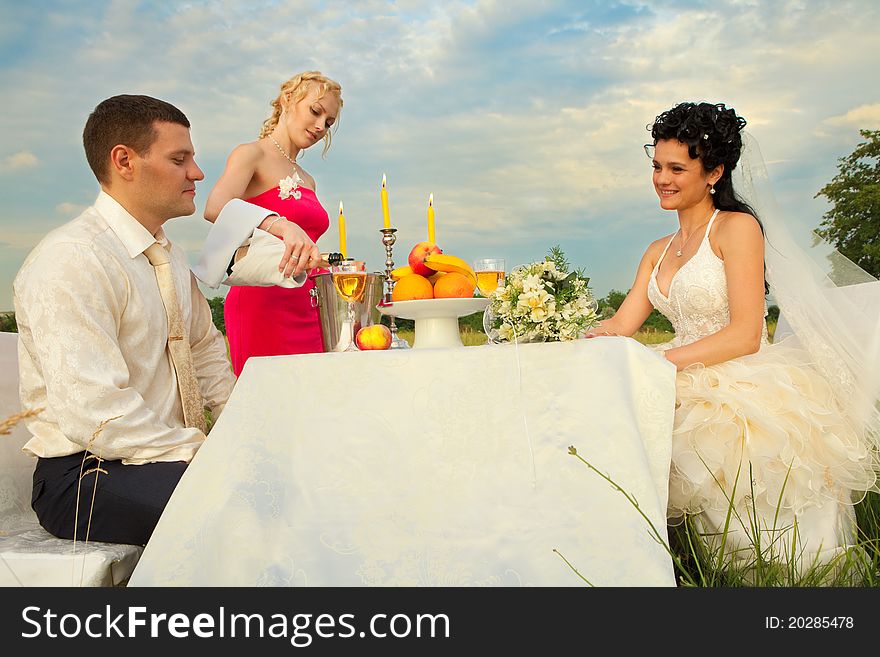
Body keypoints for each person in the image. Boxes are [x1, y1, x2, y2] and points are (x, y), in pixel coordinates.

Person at [589, 101, 880, 567]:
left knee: (692, 428)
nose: (662, 178)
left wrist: (656, 365)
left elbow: (746, 333)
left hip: (738, 375)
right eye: (657, 166)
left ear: (714, 172)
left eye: (676, 168)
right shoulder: (656, 251)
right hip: (679, 370)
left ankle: (763, 570)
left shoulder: (737, 228)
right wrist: (562, 336)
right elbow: (621, 327)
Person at [13, 95, 236, 546]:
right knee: (237, 512)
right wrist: (204, 452)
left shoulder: (168, 257)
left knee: (286, 487)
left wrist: (245, 433)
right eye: (180, 159)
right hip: (85, 474)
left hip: (164, 457)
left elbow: (206, 354)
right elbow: (95, 411)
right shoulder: (71, 260)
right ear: (124, 161)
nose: (197, 173)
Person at [202, 71, 343, 376]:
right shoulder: (251, 154)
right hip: (262, 301)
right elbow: (215, 208)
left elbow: (306, 244)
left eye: (328, 122)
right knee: (269, 403)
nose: (320, 126)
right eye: (315, 112)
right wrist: (281, 225)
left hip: (308, 302)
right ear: (287, 100)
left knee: (315, 399)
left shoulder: (308, 180)